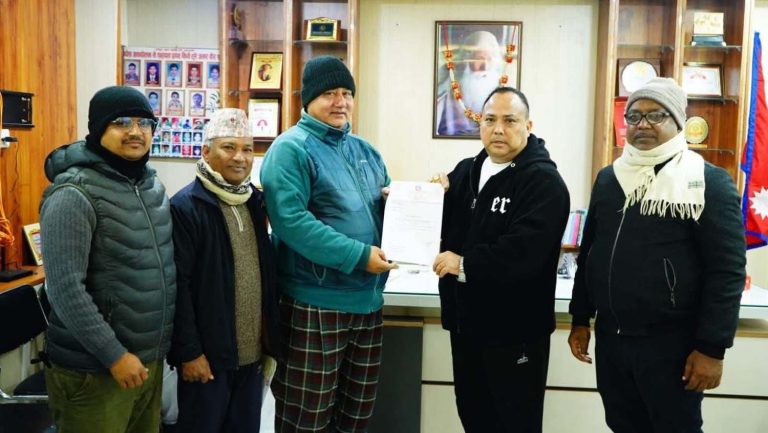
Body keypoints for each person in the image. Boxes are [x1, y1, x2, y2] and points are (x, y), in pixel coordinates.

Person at [567, 78, 746, 432]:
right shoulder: (610, 179)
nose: (642, 124)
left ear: (678, 122)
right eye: (633, 116)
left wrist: (712, 348)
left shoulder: (708, 182)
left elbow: (727, 271)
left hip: (673, 346)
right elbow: (590, 254)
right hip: (612, 342)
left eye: (655, 115)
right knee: (622, 426)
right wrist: (580, 318)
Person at [260, 55, 397, 432]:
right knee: (306, 419)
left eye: (346, 93)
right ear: (308, 100)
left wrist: (408, 204)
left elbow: (386, 213)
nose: (340, 102)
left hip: (367, 303)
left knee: (355, 417)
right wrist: (358, 255)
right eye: (329, 94)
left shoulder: (365, 151)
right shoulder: (291, 149)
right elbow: (291, 222)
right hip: (314, 305)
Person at [39, 85, 176, 433]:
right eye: (121, 122)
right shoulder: (73, 193)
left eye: (144, 123)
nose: (135, 131)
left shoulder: (151, 187)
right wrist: (113, 354)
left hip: (146, 363)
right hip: (96, 369)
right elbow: (65, 289)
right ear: (98, 129)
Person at [433, 86, 570, 432]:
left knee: (514, 424)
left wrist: (464, 264)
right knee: (474, 418)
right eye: (490, 120)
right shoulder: (466, 171)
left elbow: (524, 253)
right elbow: (443, 227)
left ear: (528, 126)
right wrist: (418, 199)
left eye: (510, 121)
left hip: (514, 333)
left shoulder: (544, 182)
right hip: (466, 328)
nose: (498, 129)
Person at [168, 108, 282, 433]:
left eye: (247, 149)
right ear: (206, 152)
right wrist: (189, 352)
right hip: (208, 362)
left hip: (251, 360)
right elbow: (178, 286)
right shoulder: (185, 207)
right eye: (228, 147)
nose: (240, 158)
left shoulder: (254, 202)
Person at [435, 30, 505, 136]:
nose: (485, 67)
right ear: (467, 58)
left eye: (489, 59)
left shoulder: (503, 86)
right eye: (480, 59)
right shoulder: (449, 82)